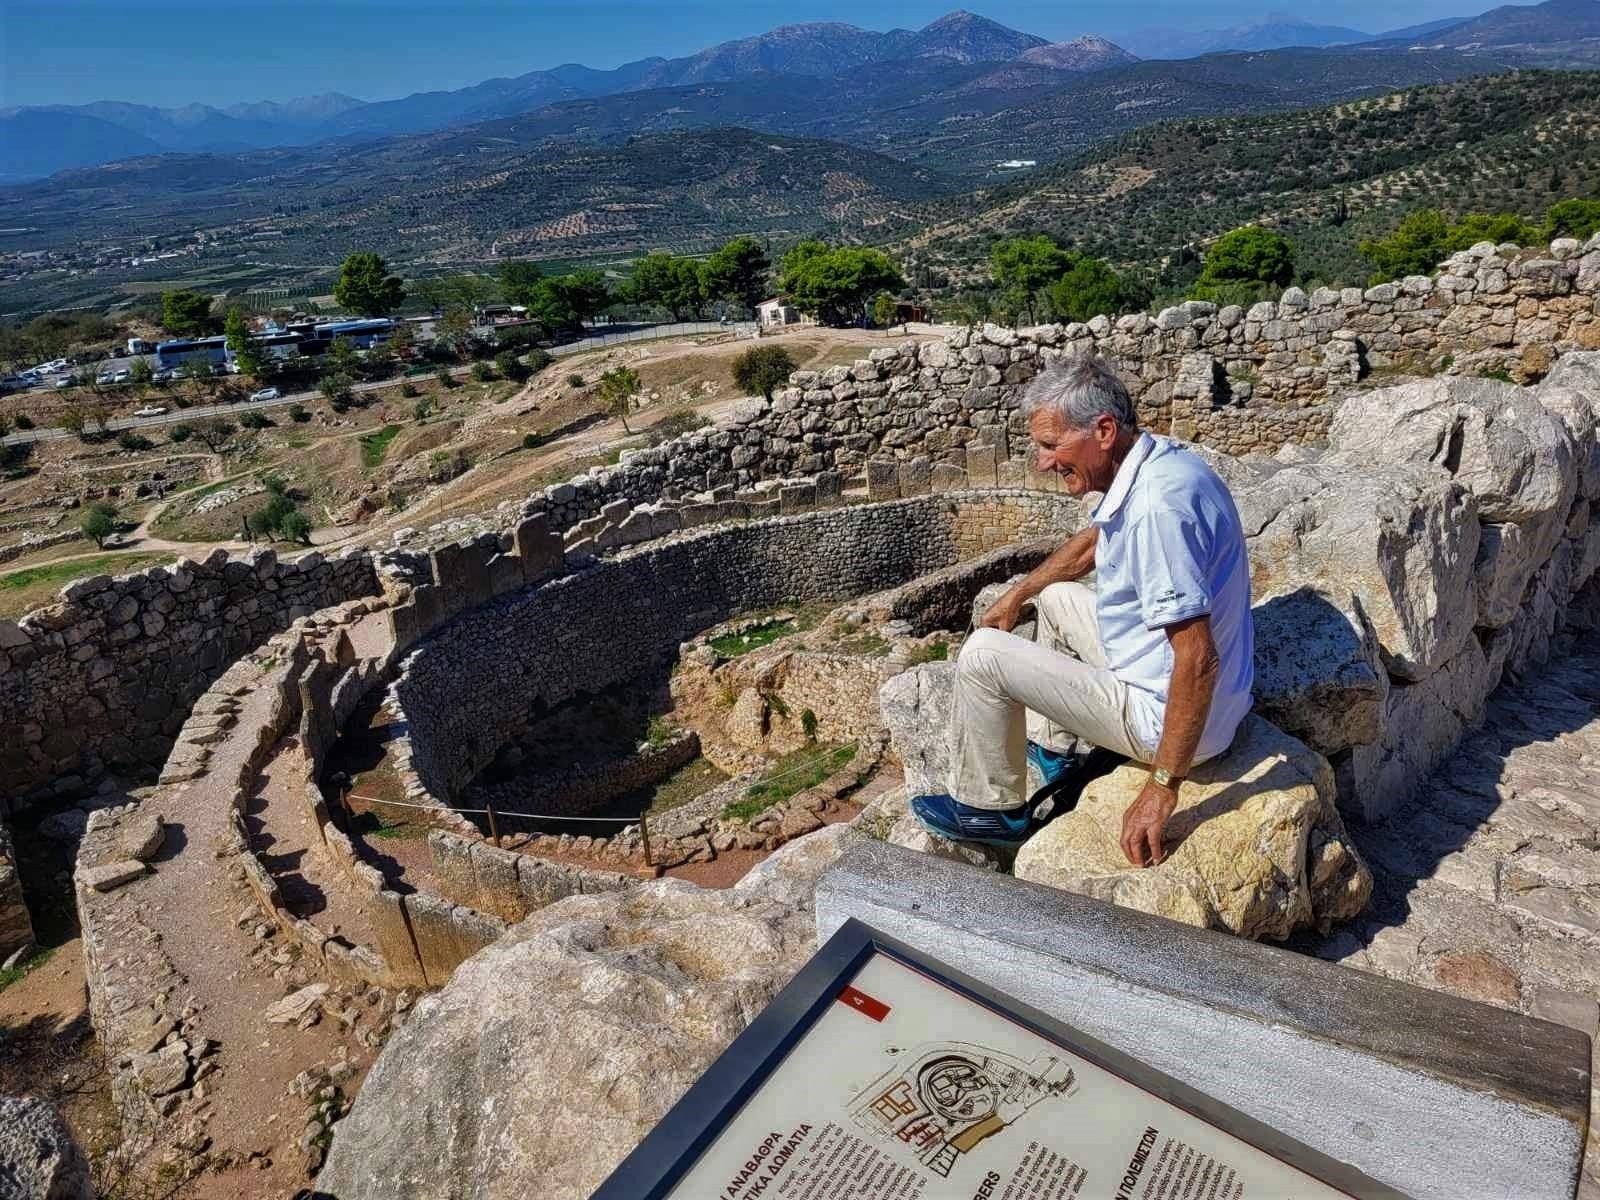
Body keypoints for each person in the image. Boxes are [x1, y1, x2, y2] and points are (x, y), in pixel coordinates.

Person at [912, 354, 1254, 865]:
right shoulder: (1159, 463)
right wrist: (1020, 593)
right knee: (1054, 599)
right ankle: (1056, 754)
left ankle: (992, 811)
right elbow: (1095, 542)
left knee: (983, 654)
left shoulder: (1156, 514)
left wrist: (1162, 786)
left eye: (1052, 446)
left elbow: (1198, 658)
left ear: (1103, 430)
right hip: (1186, 683)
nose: (1044, 463)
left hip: (1171, 721)